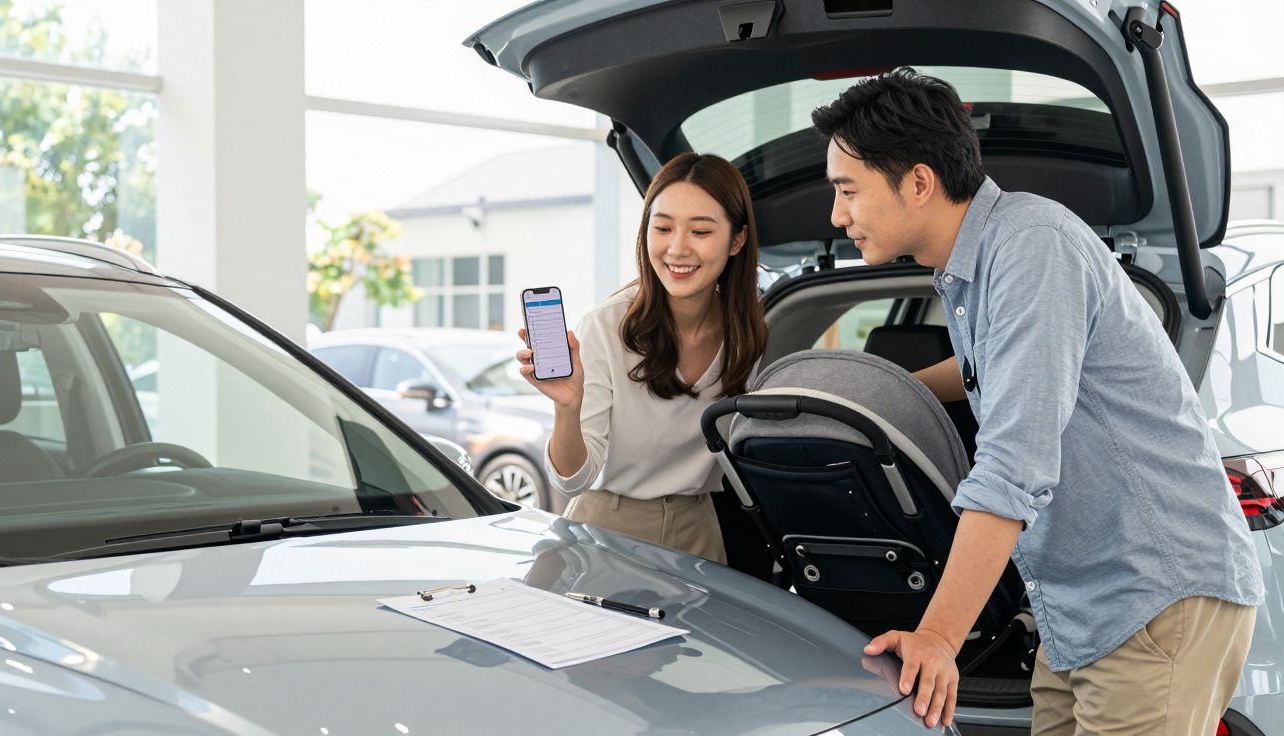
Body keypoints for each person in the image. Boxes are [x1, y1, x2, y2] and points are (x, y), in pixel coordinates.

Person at [810, 67, 1264, 733]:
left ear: (917, 182)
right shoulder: (971, 265)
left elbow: (1013, 464)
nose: (836, 214)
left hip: (1152, 597)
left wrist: (937, 638)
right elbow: (982, 373)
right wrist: (877, 390)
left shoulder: (1032, 247)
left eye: (848, 190)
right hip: (1076, 609)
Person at [516, 153, 767, 564]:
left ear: (736, 240)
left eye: (701, 231)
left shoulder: (746, 331)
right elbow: (572, 479)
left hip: (699, 527)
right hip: (606, 530)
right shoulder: (607, 326)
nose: (677, 248)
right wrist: (568, 408)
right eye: (662, 227)